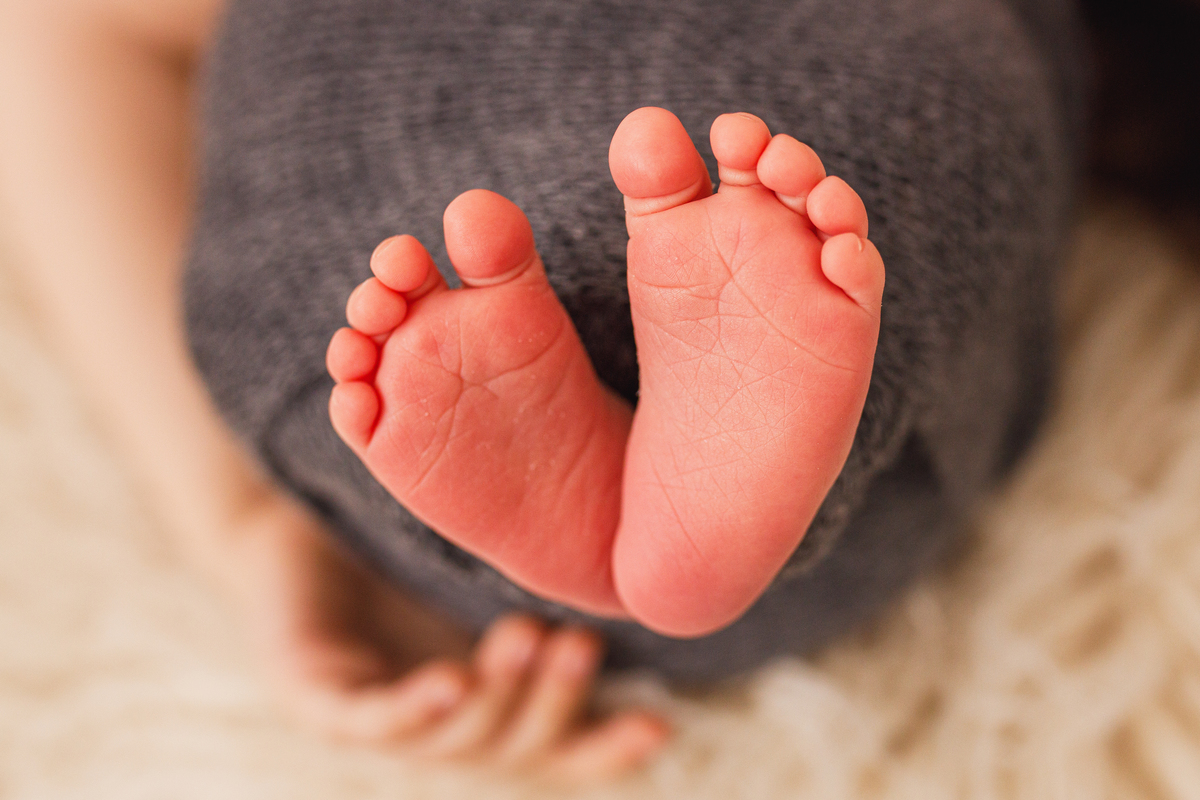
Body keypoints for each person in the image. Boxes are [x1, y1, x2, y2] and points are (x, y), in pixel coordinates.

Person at [0, 0, 1088, 783]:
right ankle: (706, 479)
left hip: (453, 455)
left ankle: (686, 472)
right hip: (830, 425)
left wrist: (240, 515)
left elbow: (49, 37)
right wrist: (248, 525)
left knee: (369, 252)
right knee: (863, 138)